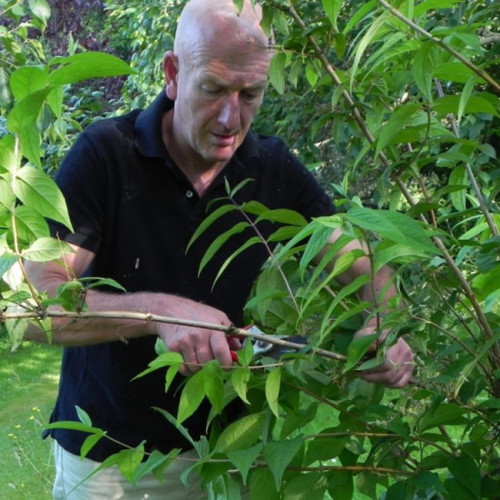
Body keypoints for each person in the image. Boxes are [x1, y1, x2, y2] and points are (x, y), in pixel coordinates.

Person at [25, 0, 414, 497]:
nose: (232, 117)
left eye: (251, 94)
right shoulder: (105, 156)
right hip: (111, 461)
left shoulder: (272, 167)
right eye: (213, 88)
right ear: (172, 73)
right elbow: (38, 309)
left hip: (235, 457)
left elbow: (363, 261)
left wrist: (384, 324)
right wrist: (159, 312)